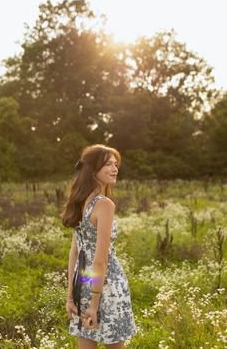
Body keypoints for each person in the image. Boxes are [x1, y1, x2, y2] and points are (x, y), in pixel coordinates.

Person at [61, 144, 137, 349]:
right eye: (108, 165)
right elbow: (101, 260)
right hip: (107, 284)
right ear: (93, 170)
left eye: (115, 164)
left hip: (84, 281)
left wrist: (71, 297)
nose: (115, 169)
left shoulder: (78, 201)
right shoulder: (104, 204)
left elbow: (75, 253)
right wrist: (95, 304)